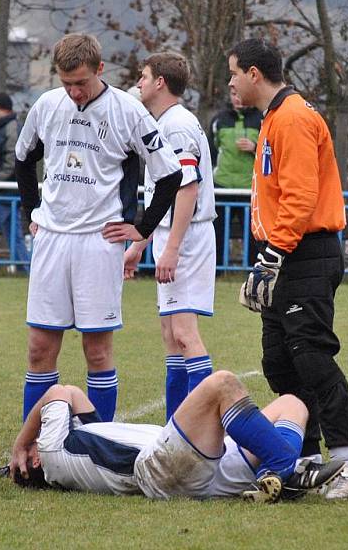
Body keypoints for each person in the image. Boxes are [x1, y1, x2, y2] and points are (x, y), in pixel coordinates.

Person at [15, 33, 182, 423]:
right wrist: (32, 214)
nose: (73, 91)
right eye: (66, 83)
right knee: (39, 349)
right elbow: (23, 160)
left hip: (98, 242)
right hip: (52, 239)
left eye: (81, 82)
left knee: (97, 351)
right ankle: (33, 450)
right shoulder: (46, 105)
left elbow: (170, 173)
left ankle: (99, 446)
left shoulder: (128, 110)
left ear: (100, 70)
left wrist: (141, 228)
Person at [229, 38, 348, 499]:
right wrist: (266, 256)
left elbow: (301, 196)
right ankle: (305, 458)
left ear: (254, 74)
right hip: (286, 252)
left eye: (234, 73)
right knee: (278, 359)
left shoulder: (292, 117)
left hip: (304, 252)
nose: (230, 82)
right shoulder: (274, 117)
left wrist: (272, 256)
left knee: (311, 355)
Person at [8, 371, 347, 503]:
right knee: (222, 384)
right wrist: (22, 442)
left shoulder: (77, 442)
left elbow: (71, 392)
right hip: (158, 469)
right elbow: (56, 393)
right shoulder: (52, 453)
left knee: (292, 403)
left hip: (195, 464)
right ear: (35, 459)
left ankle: (271, 479)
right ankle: (288, 466)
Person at [123, 52, 216, 421]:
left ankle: (198, 425)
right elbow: (162, 192)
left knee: (183, 333)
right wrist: (140, 245)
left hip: (187, 237)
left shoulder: (177, 125)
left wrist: (172, 249)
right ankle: (176, 425)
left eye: (143, 76)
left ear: (160, 81)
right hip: (170, 234)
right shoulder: (164, 122)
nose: (139, 83)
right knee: (170, 335)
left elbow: (186, 190)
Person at [209, 88, 264, 269]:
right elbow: (212, 149)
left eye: (241, 94)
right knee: (215, 232)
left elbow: (272, 150)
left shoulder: (262, 119)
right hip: (222, 185)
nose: (237, 99)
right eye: (234, 95)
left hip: (249, 186)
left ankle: (253, 271)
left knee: (253, 234)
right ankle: (214, 270)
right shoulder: (219, 120)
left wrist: (255, 147)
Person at [0, 92, 30, 267]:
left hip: (3, 193)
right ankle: (27, 268)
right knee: (14, 235)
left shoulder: (10, 129)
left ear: (4, 109)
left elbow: (11, 163)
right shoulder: (4, 128)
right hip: (5, 192)